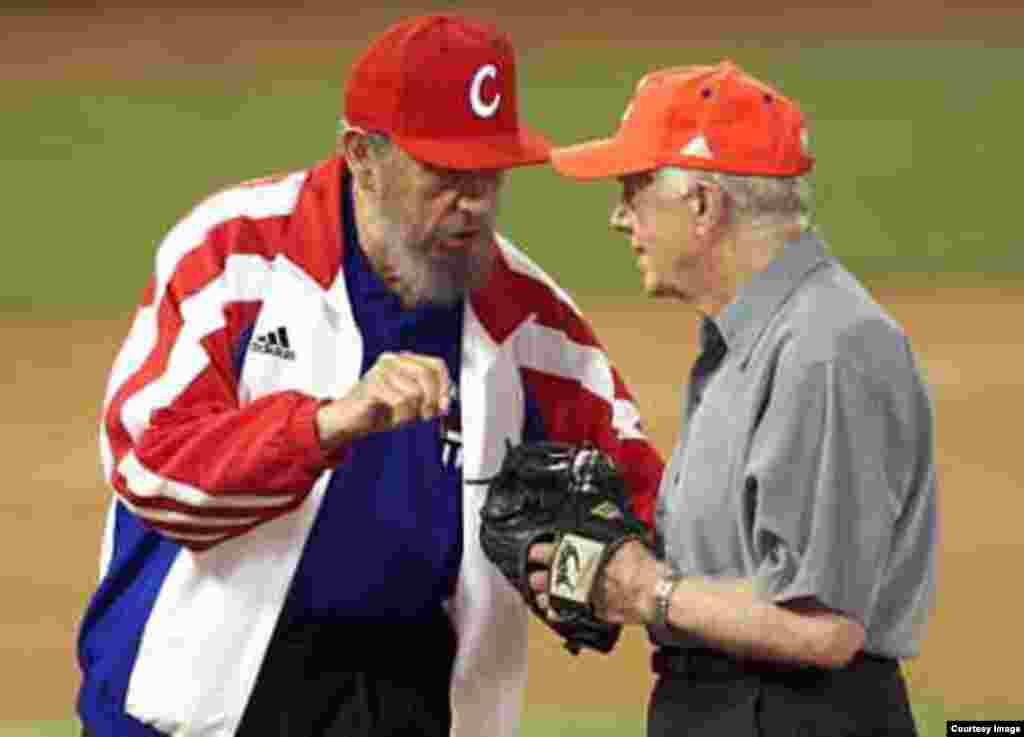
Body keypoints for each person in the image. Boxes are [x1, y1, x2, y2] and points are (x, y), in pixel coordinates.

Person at [76, 14, 664, 737]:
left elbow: (650, 496)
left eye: (490, 173)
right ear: (362, 155)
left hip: (405, 706)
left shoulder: (532, 324)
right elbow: (152, 474)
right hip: (193, 712)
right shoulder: (234, 259)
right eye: (446, 175)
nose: (474, 202)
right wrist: (324, 424)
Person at [535, 60, 938, 736]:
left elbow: (821, 626)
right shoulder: (747, 338)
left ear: (701, 205)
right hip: (731, 703)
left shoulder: (826, 347)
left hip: (791, 712)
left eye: (633, 189)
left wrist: (646, 590)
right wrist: (609, 563)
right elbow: (740, 566)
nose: (617, 217)